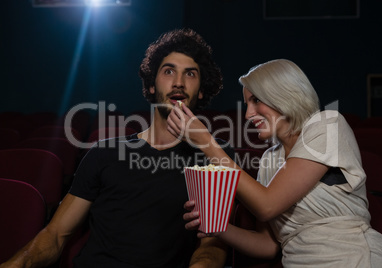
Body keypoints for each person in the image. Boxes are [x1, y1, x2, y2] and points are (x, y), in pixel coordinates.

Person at [0, 28, 234, 268]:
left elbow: (211, 247)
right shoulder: (105, 153)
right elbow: (55, 235)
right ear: (152, 85)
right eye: (169, 71)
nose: (178, 82)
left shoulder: (215, 157)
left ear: (202, 90)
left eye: (191, 74)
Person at [167, 59, 382, 267]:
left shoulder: (327, 125)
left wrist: (207, 143)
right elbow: (268, 246)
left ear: (285, 94)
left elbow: (267, 205)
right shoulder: (269, 160)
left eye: (256, 100)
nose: (248, 114)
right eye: (247, 103)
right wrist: (217, 227)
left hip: (351, 258)